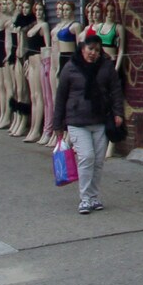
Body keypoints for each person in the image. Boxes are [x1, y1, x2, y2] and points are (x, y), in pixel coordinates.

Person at [51, 27, 122, 216]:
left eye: (97, 50)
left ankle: (93, 196)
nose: (93, 53)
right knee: (87, 157)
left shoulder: (106, 67)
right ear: (82, 49)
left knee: (98, 161)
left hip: (100, 120)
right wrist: (58, 125)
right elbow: (61, 96)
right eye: (90, 49)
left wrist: (118, 113)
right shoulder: (71, 67)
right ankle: (84, 199)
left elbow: (116, 91)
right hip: (77, 120)